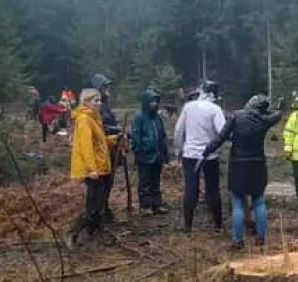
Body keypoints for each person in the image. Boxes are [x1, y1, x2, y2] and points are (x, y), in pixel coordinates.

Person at [200, 95, 283, 249]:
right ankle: (261, 237)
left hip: (238, 164)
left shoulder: (236, 117)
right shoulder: (264, 121)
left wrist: (206, 152)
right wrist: (280, 107)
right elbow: (277, 115)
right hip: (258, 164)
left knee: (237, 202)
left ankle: (238, 240)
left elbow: (220, 137)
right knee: (258, 200)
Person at [65, 89, 117, 248]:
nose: (99, 103)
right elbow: (86, 146)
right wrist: (92, 169)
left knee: (99, 203)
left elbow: (98, 142)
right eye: (95, 100)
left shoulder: (94, 118)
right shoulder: (84, 119)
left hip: (101, 167)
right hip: (94, 170)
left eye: (100, 100)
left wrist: (114, 139)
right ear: (85, 102)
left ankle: (92, 232)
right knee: (93, 204)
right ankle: (72, 234)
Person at [174, 80, 225, 232]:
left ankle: (188, 226)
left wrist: (179, 150)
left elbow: (178, 131)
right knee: (213, 189)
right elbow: (222, 132)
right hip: (209, 156)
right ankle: (218, 224)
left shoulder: (188, 107)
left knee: (191, 189)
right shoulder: (215, 109)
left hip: (189, 154)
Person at [90, 74, 125, 223]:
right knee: (101, 181)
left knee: (109, 180)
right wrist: (116, 129)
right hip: (100, 147)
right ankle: (96, 212)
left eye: (107, 87)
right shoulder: (94, 106)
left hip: (110, 145)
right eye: (104, 87)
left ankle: (104, 207)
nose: (107, 90)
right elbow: (100, 126)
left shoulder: (105, 104)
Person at [131, 88, 170, 216]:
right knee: (145, 181)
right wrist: (140, 150)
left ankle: (156, 204)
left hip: (157, 154)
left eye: (156, 101)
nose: (154, 104)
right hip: (145, 155)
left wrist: (164, 152)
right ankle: (145, 205)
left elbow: (162, 134)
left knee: (155, 180)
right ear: (146, 102)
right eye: (152, 101)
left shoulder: (157, 117)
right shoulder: (139, 117)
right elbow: (136, 136)